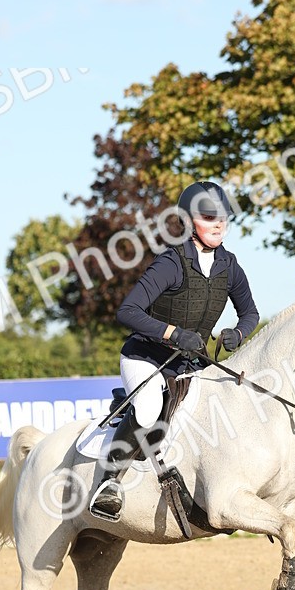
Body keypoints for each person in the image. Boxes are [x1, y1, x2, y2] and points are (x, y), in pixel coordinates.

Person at [89, 180, 260, 521]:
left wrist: (238, 334)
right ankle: (109, 483)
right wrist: (173, 333)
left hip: (190, 363)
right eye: (210, 217)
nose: (219, 224)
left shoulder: (230, 266)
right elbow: (128, 311)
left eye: (223, 217)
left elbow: (250, 313)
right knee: (151, 407)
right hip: (146, 357)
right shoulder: (172, 262)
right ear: (188, 220)